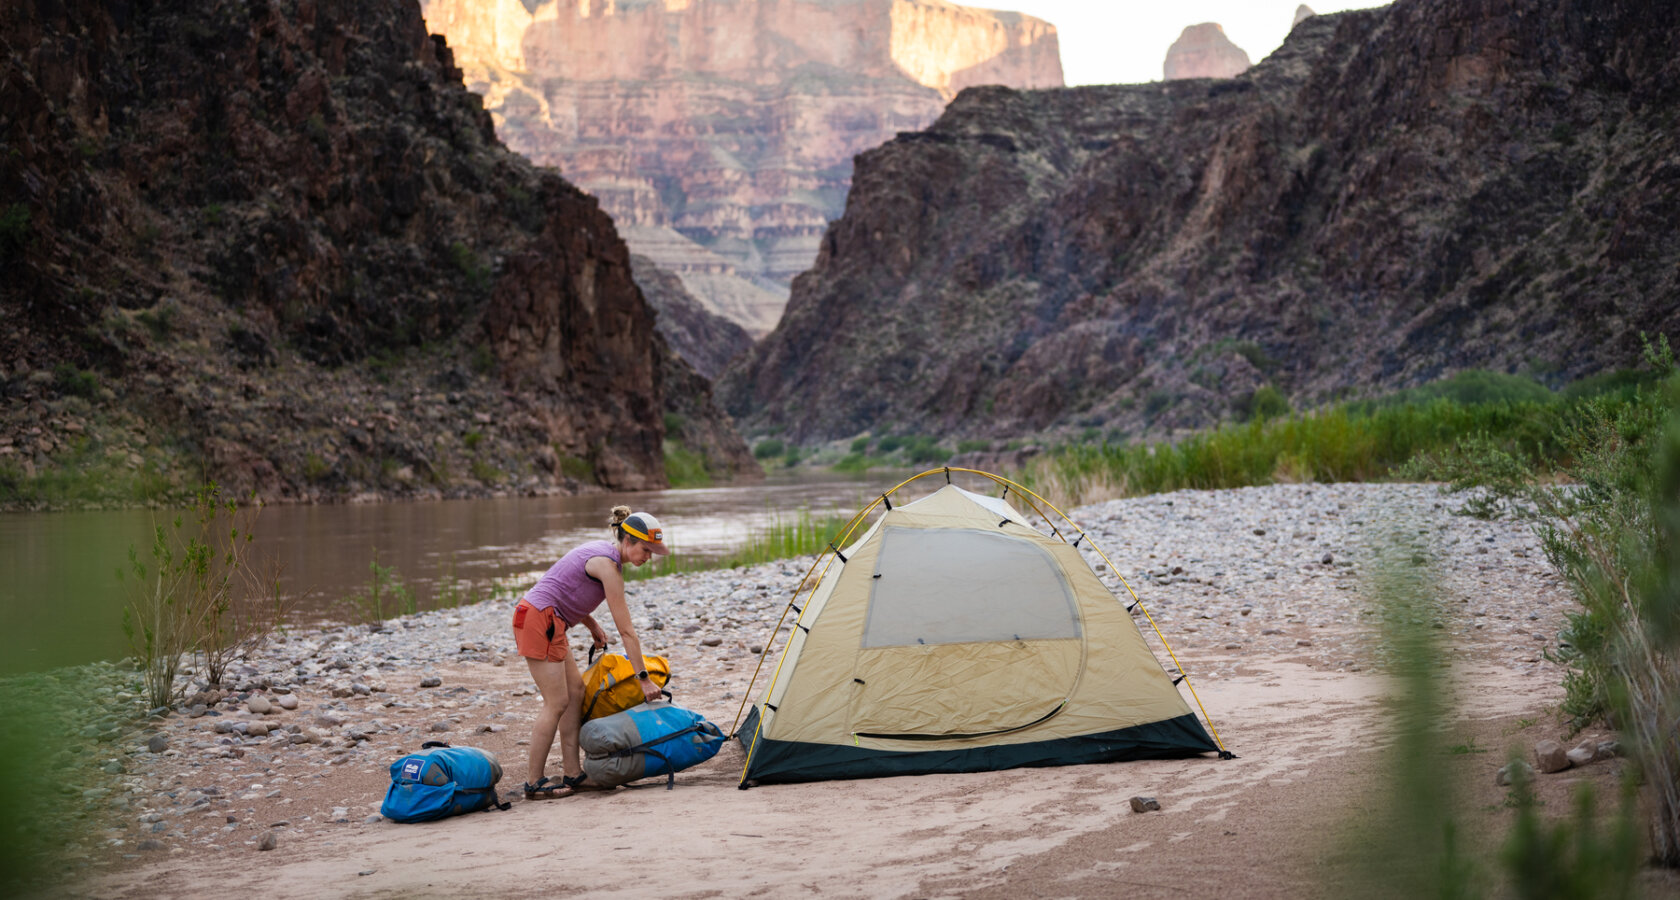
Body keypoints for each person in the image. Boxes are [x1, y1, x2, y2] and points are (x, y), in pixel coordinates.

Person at [511, 505, 668, 798]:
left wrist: (591, 623)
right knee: (556, 702)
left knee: (576, 692)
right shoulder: (608, 566)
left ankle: (573, 774)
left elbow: (566, 587)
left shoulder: (603, 555)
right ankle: (534, 782)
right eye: (647, 550)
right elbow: (627, 633)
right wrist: (643, 678)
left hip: (549, 619)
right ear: (629, 541)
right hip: (537, 619)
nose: (649, 557)